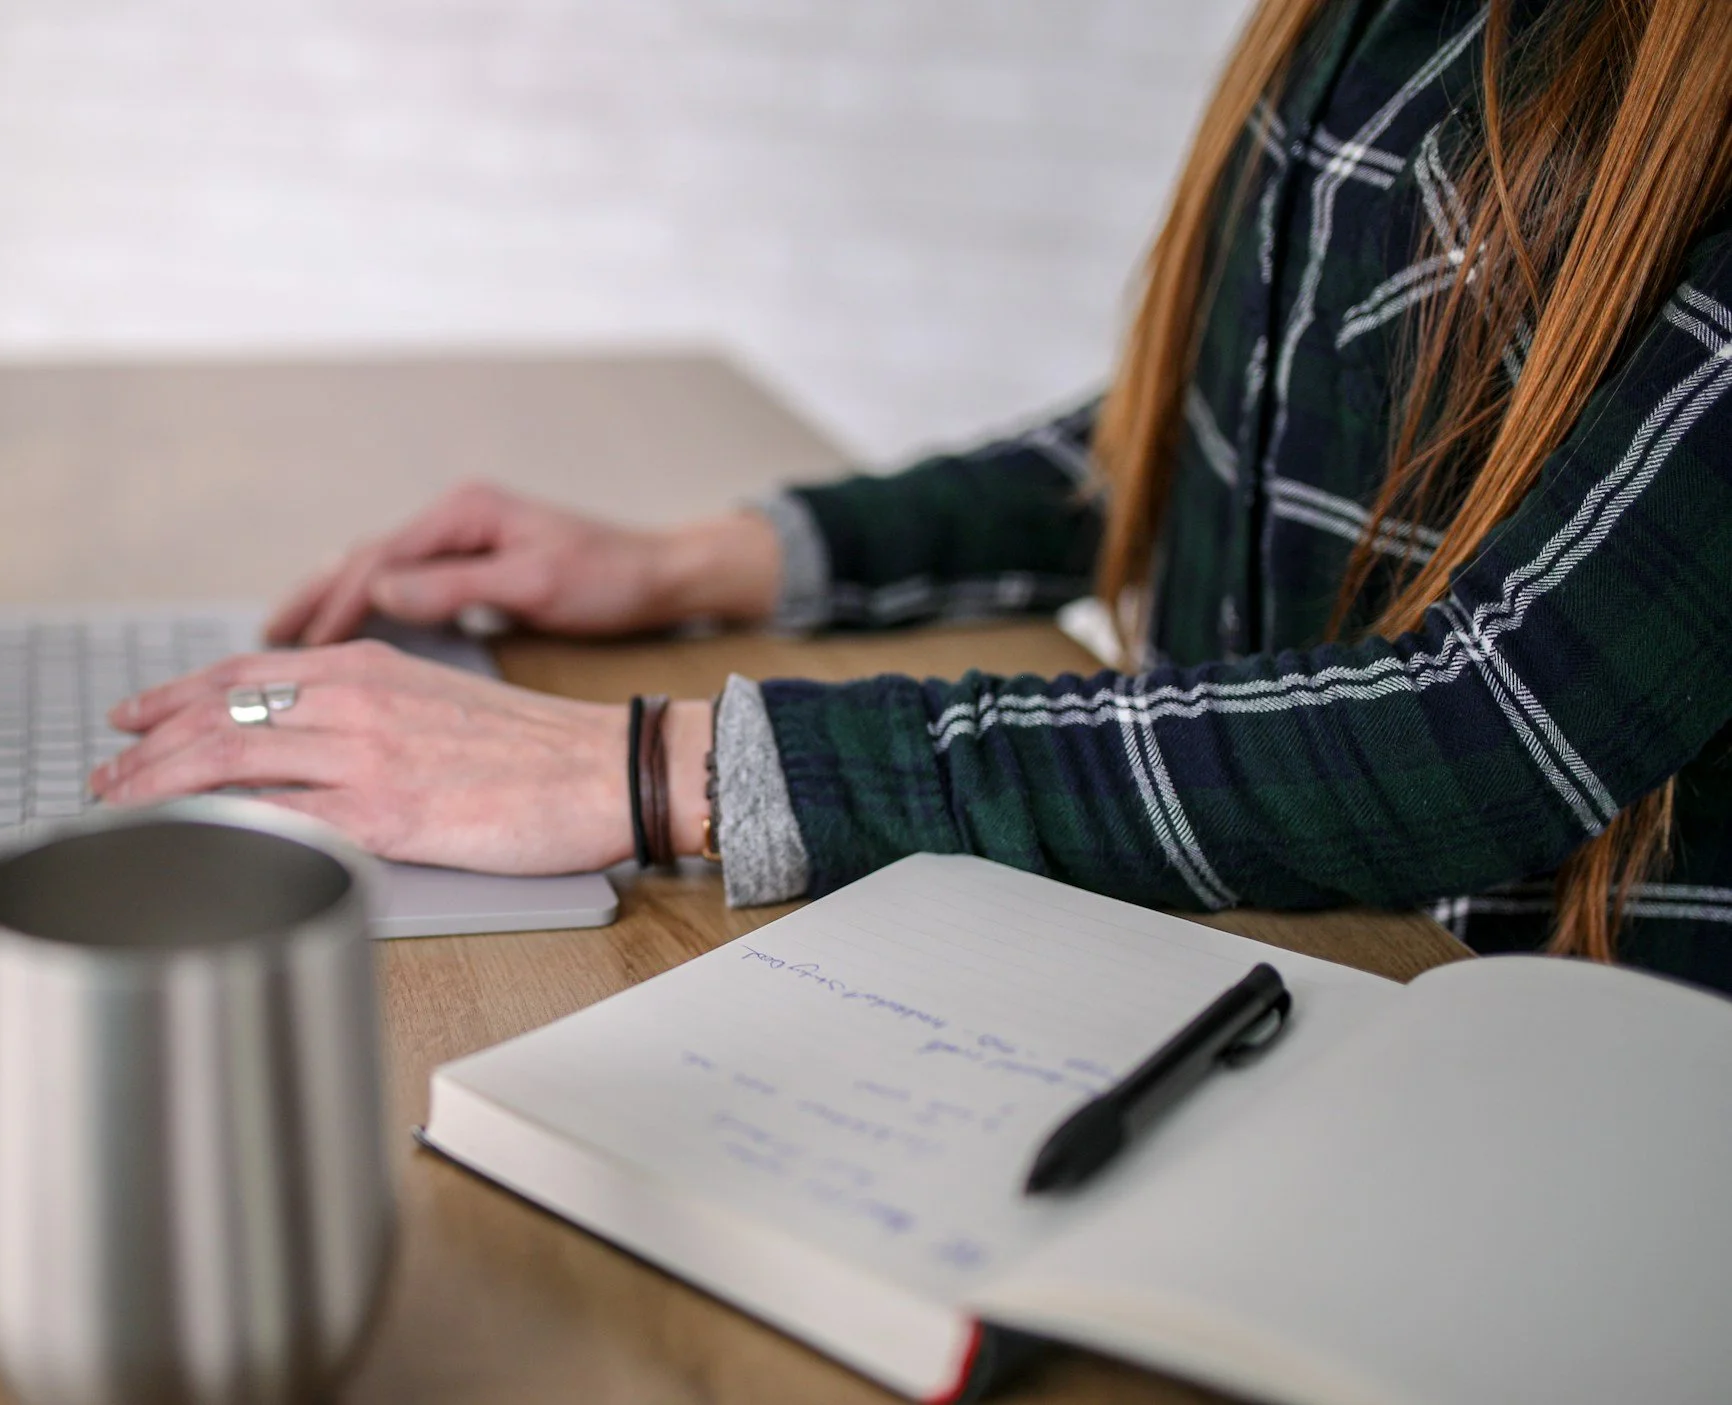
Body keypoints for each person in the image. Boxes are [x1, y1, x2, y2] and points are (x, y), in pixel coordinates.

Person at [96, 0, 1732, 995]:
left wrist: (666, 767)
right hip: (1286, 951)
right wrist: (698, 559)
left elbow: (1482, 729)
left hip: (1563, 1093)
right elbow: (1208, 430)